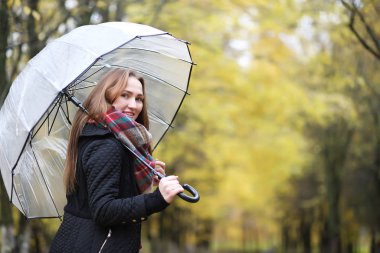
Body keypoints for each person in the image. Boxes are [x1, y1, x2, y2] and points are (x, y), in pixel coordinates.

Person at [50, 68, 184, 253]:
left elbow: (104, 190)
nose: (134, 105)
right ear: (107, 96)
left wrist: (140, 175)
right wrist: (157, 199)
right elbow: (103, 210)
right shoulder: (107, 145)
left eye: (139, 99)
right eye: (125, 95)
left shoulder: (104, 136)